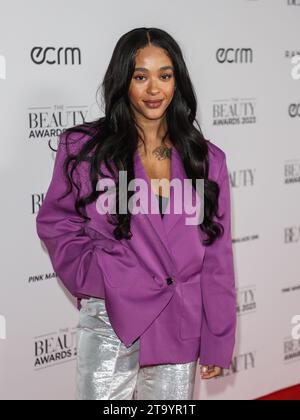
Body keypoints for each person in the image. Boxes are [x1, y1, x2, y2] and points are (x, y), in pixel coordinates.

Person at [36, 27, 237, 400]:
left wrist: (218, 337)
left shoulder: (207, 159)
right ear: (122, 80)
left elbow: (217, 257)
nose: (154, 89)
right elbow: (56, 223)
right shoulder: (85, 149)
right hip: (112, 319)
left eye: (164, 75)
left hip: (179, 322)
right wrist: (103, 278)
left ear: (178, 80)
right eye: (140, 77)